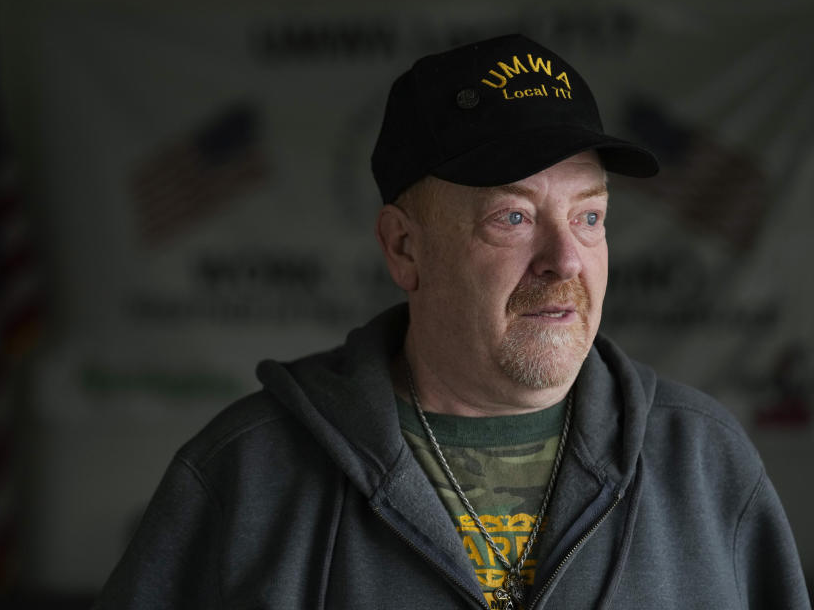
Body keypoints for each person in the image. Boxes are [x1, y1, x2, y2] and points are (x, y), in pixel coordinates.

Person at [93, 34, 810, 609]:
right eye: (513, 217)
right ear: (405, 247)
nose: (566, 259)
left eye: (590, 216)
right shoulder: (245, 476)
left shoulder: (704, 462)